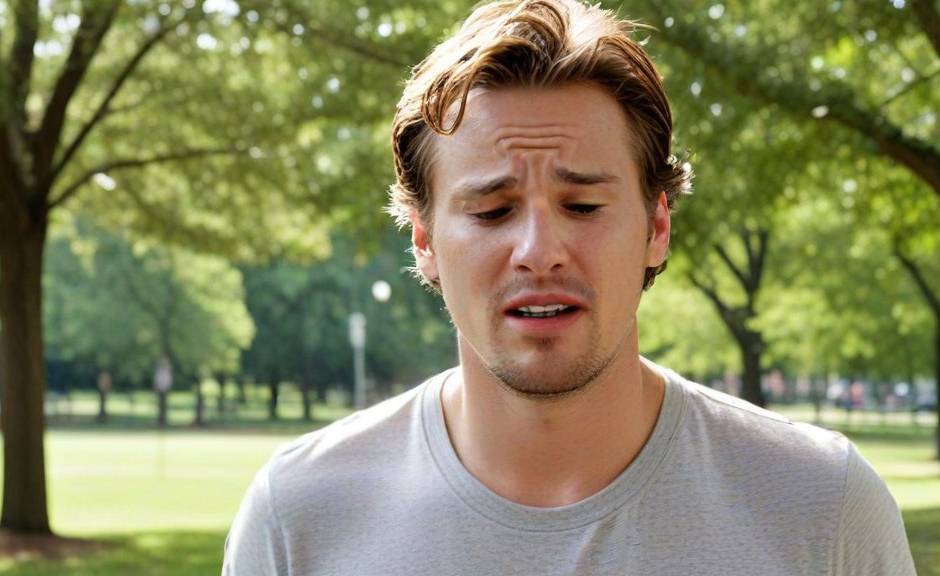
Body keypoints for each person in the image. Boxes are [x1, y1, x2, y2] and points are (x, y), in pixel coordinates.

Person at [223, 1, 917, 574]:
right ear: (425, 243)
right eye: (492, 211)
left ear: (656, 227)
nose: (538, 252)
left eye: (583, 206)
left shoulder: (822, 507)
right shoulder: (297, 517)